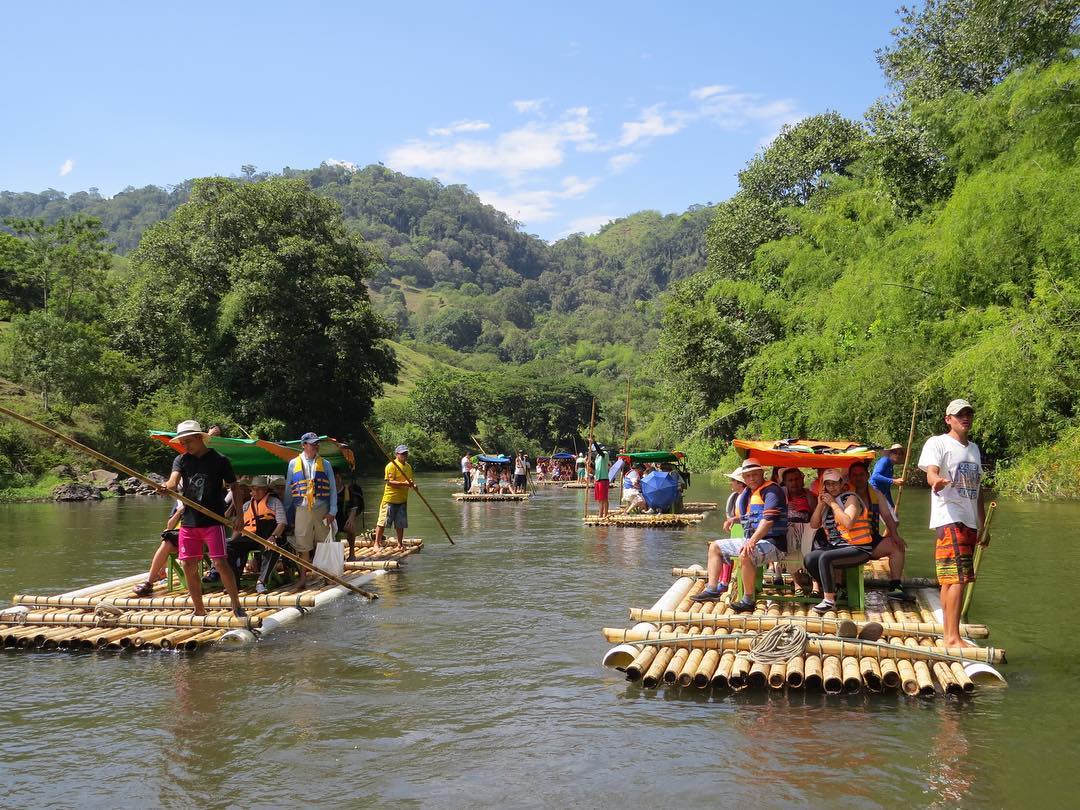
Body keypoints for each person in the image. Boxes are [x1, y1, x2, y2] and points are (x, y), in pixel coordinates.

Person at [918, 398, 987, 648]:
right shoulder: (938, 442)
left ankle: (949, 635)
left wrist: (982, 526)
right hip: (950, 517)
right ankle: (953, 638)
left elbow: (977, 490)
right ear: (948, 419)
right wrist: (936, 481)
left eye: (968, 414)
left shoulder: (974, 449)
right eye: (959, 415)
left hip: (969, 520)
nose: (965, 418)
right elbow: (931, 472)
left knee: (950, 579)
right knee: (957, 578)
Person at [163, 420, 246, 617]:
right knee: (187, 565)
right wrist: (166, 487)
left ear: (199, 438)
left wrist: (240, 516)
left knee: (220, 563)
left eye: (188, 441)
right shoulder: (181, 460)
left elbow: (235, 487)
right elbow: (173, 481)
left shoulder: (219, 460)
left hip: (213, 520)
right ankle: (199, 609)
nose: (185, 446)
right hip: (189, 521)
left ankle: (236, 604)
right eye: (182, 443)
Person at [692, 460, 787, 611]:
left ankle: (748, 600)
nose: (752, 478)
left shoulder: (772, 491)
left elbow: (768, 520)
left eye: (755, 474)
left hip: (775, 543)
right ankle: (712, 590)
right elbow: (752, 516)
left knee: (746, 553)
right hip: (752, 540)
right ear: (744, 478)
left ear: (762, 473)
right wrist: (734, 519)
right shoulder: (749, 493)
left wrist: (752, 542)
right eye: (748, 476)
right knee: (715, 547)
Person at [283, 432, 337, 590]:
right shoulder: (293, 464)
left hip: (322, 508)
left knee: (323, 543)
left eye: (316, 443)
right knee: (303, 546)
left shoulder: (325, 464)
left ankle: (327, 576)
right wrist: (288, 514)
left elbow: (332, 489)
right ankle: (302, 579)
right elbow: (289, 490)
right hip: (301, 508)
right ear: (304, 445)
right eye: (312, 443)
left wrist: (333, 511)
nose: (315, 446)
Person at [226, 475, 287, 590]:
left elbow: (282, 523)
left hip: (269, 536)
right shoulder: (246, 506)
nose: (256, 492)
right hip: (251, 537)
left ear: (265, 490)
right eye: (254, 489)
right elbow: (240, 527)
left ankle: (261, 582)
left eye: (259, 489)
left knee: (272, 548)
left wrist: (273, 537)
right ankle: (234, 581)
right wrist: (233, 540)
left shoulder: (275, 502)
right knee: (228, 547)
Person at [132, 498, 185, 596]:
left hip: (197, 534)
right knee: (167, 541)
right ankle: (149, 582)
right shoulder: (180, 502)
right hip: (180, 536)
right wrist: (179, 511)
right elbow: (170, 526)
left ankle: (161, 571)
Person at [374, 444, 414, 549]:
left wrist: (413, 485)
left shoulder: (408, 467)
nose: (404, 455)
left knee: (400, 523)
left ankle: (400, 544)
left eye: (406, 453)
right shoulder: (391, 465)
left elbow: (409, 481)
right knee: (382, 522)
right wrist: (404, 484)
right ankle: (376, 543)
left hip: (402, 499)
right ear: (397, 454)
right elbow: (390, 482)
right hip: (390, 499)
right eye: (402, 454)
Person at [871, 443, 906, 522]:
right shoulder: (885, 460)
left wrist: (892, 506)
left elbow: (886, 490)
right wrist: (894, 480)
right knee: (893, 521)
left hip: (880, 493)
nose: (898, 455)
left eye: (900, 453)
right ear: (890, 453)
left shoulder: (891, 467)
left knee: (894, 521)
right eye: (895, 452)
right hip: (874, 491)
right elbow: (875, 476)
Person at [337, 473, 365, 561]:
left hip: (345, 518)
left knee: (351, 527)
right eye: (334, 478)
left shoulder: (348, 490)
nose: (336, 480)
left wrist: (351, 519)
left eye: (338, 477)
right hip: (332, 518)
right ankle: (337, 554)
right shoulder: (328, 491)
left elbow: (354, 507)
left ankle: (352, 553)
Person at [593, 445, 611, 517]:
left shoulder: (605, 454)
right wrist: (587, 463)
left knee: (604, 498)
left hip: (603, 479)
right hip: (597, 479)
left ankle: (604, 514)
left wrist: (594, 442)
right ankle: (600, 514)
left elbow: (600, 451)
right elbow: (595, 468)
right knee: (599, 499)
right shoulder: (597, 457)